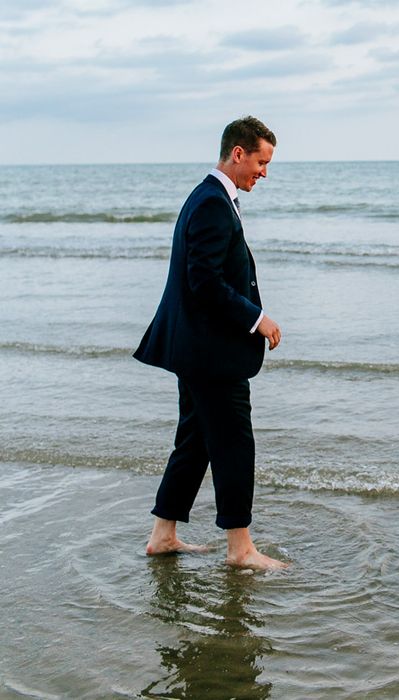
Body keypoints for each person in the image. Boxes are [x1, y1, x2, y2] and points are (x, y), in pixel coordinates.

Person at [134, 116, 287, 571]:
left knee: (196, 441)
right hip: (211, 354)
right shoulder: (211, 204)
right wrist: (256, 318)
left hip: (198, 349)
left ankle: (163, 536)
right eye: (261, 162)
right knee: (235, 442)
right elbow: (204, 281)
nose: (264, 172)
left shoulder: (211, 198)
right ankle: (241, 549)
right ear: (238, 153)